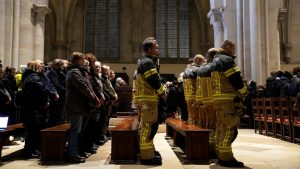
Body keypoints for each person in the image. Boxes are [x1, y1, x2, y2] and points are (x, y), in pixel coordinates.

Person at [210, 40, 248, 167]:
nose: (234, 50)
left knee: (221, 127)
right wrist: (243, 90)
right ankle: (227, 158)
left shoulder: (214, 61)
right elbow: (235, 78)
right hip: (227, 98)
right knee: (229, 128)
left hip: (218, 98)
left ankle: (221, 154)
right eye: (233, 48)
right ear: (227, 47)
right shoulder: (226, 60)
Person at [135, 37, 167, 165]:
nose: (158, 49)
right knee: (148, 128)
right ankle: (147, 156)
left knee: (149, 127)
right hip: (148, 99)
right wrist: (162, 93)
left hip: (146, 99)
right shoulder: (147, 62)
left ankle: (149, 150)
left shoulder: (146, 61)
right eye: (155, 47)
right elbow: (154, 80)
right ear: (149, 49)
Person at [65, 52, 100, 163]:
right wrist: (95, 99)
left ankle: (75, 152)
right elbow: (83, 87)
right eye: (82, 59)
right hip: (76, 106)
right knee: (75, 131)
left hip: (80, 106)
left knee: (78, 131)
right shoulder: (74, 72)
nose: (84, 61)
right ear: (77, 60)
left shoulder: (78, 71)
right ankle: (72, 154)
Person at [183, 54, 205, 125]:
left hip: (187, 97)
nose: (203, 63)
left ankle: (190, 133)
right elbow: (199, 85)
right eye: (203, 61)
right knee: (198, 118)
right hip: (195, 97)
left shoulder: (186, 70)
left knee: (191, 116)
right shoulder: (197, 70)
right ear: (198, 60)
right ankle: (197, 135)